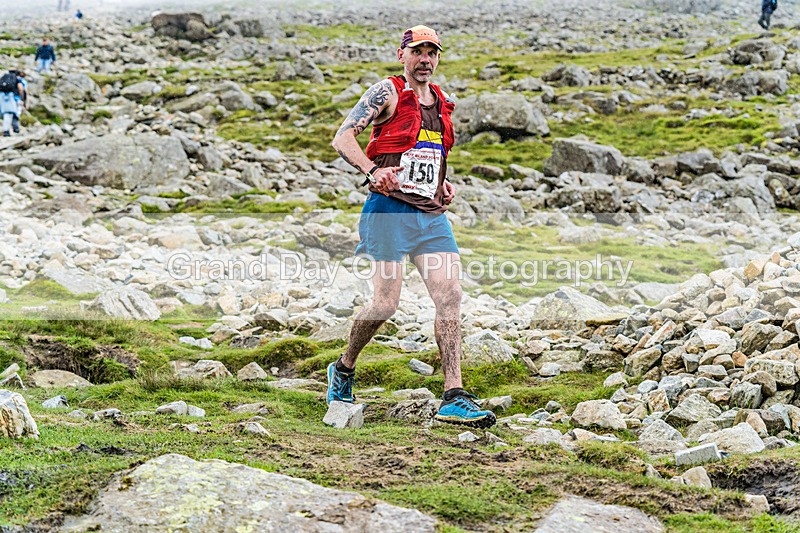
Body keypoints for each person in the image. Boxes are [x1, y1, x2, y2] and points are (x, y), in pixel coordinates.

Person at [329, 25, 496, 428]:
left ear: (437, 58)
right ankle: (344, 368)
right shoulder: (385, 92)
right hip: (388, 212)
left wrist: (442, 181)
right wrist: (372, 171)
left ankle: (453, 395)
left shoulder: (441, 101)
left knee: (450, 296)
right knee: (386, 305)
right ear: (401, 54)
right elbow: (343, 137)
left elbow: (429, 152)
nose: (425, 59)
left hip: (431, 216)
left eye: (432, 53)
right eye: (417, 51)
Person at [0, 70, 25, 137]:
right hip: (11, 97)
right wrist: (22, 99)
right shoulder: (16, 79)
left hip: (2, 96)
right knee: (11, 113)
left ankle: (12, 129)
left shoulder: (4, 77)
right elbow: (20, 88)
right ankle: (9, 130)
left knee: (7, 113)